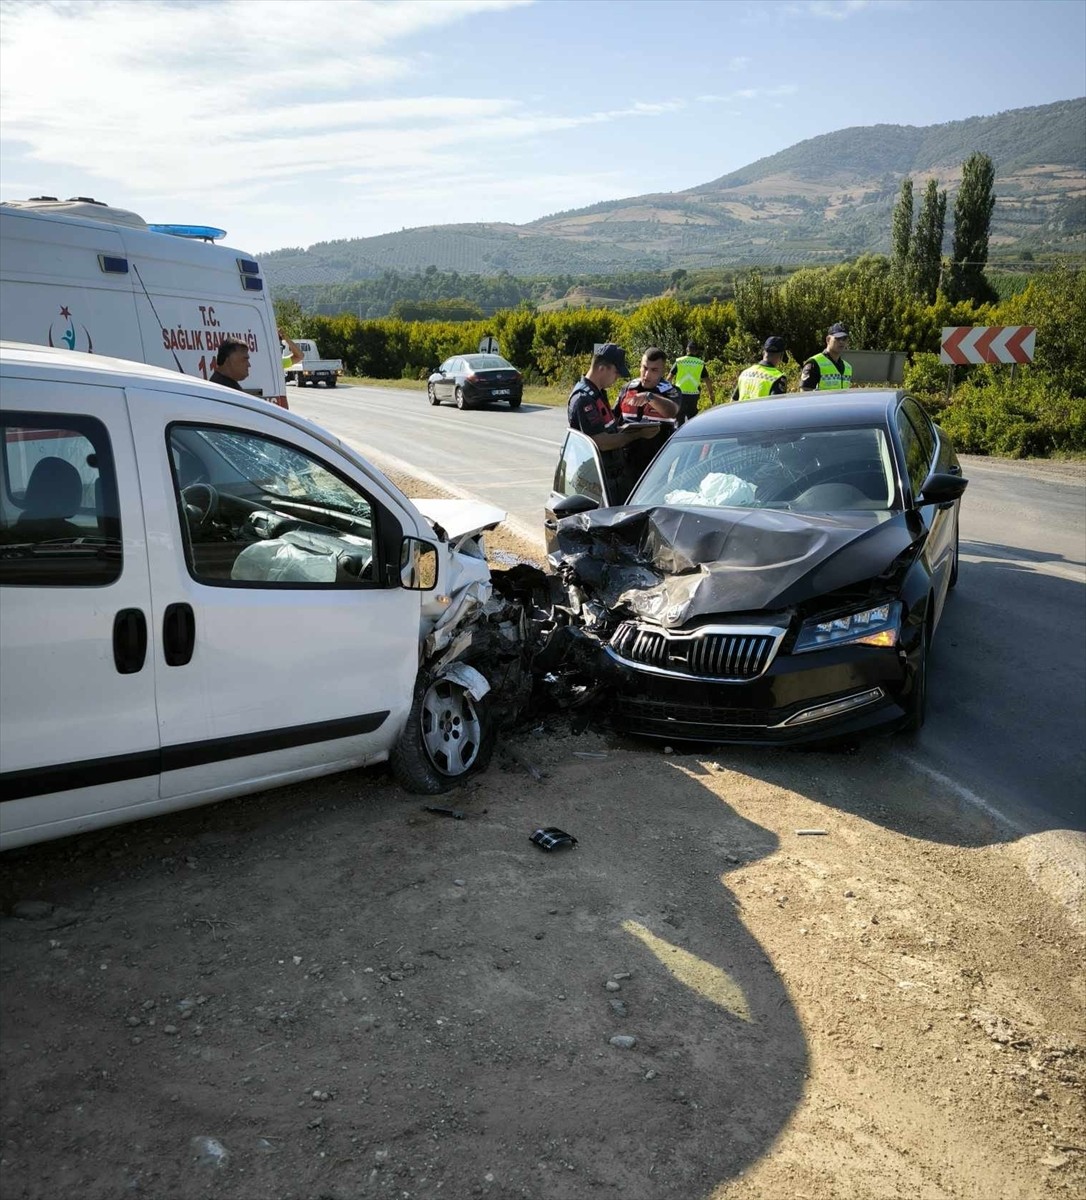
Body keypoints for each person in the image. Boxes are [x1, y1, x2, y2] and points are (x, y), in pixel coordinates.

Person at [567, 344, 662, 501]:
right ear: (602, 369)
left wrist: (627, 429)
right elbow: (601, 442)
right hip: (594, 480)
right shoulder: (584, 399)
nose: (617, 377)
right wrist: (638, 434)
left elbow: (609, 428)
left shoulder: (597, 394)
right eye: (616, 372)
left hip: (609, 476)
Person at [614, 347, 682, 424]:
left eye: (654, 370)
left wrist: (650, 397)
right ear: (640, 367)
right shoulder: (628, 388)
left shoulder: (670, 390)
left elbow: (672, 411)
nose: (647, 375)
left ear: (663, 371)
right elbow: (614, 418)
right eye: (645, 368)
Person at [668, 341, 716, 423]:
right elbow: (707, 380)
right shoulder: (700, 363)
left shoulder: (679, 361)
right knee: (692, 420)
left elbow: (669, 378)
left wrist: (667, 393)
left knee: (680, 419)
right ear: (696, 351)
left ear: (687, 349)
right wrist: (711, 394)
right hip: (693, 396)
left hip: (680, 394)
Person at [732, 336, 789, 401]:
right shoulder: (778, 377)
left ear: (763, 352)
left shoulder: (745, 373)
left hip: (742, 408)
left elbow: (733, 401)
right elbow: (777, 404)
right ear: (781, 356)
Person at [800, 322, 853, 391]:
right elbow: (805, 393)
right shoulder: (814, 363)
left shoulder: (848, 367)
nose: (841, 342)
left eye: (844, 339)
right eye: (837, 338)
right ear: (828, 340)